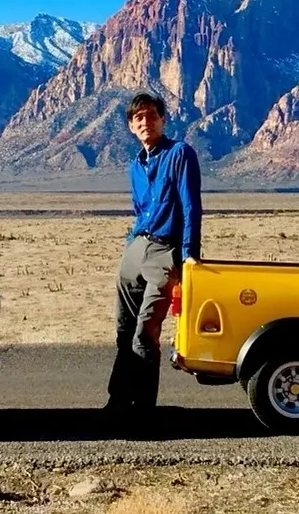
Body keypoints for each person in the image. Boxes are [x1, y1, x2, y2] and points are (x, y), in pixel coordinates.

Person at [105, 91, 202, 416]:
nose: (145, 122)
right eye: (138, 118)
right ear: (132, 127)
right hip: (136, 248)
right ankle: (118, 402)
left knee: (146, 331)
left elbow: (190, 206)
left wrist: (189, 253)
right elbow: (140, 208)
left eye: (151, 116)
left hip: (165, 250)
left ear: (163, 119)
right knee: (124, 329)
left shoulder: (180, 154)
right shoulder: (136, 165)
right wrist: (131, 243)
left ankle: (144, 409)